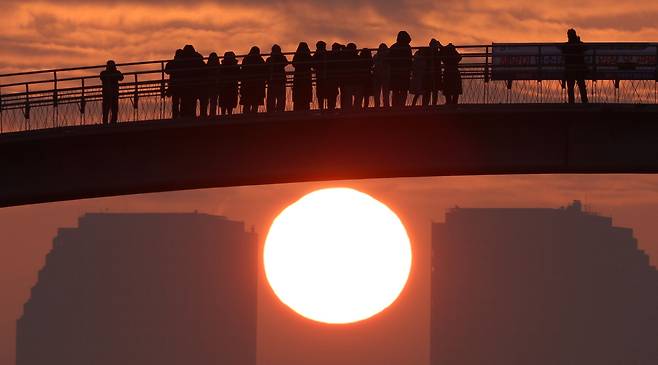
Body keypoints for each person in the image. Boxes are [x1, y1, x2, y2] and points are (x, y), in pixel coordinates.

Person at [179, 45, 206, 118]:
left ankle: (184, 116)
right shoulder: (198, 60)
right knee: (193, 102)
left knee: (185, 102)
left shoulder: (182, 61)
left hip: (184, 85)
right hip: (196, 85)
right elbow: (204, 70)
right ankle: (193, 116)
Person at [562, 28, 589, 104]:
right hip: (579, 69)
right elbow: (585, 49)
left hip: (570, 69)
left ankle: (571, 103)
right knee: (581, 87)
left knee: (571, 87)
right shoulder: (579, 44)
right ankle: (585, 102)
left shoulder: (567, 46)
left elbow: (563, 50)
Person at [387, 31, 413, 107]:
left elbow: (389, 59)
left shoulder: (393, 47)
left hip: (395, 72)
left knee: (395, 90)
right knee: (403, 90)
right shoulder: (407, 47)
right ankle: (402, 105)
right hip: (404, 72)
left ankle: (394, 106)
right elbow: (409, 60)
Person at [241, 46, 267, 113]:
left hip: (247, 85)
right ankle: (253, 115)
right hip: (257, 86)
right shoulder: (260, 60)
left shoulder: (246, 59)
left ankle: (245, 118)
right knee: (255, 104)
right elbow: (264, 70)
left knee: (247, 104)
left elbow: (243, 70)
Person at [265, 44, 289, 112]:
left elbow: (266, 67)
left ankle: (270, 111)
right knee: (281, 98)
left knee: (271, 98)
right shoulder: (282, 58)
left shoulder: (269, 59)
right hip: (280, 80)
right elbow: (286, 63)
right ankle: (280, 111)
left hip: (272, 80)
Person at [292, 42, 314, 111]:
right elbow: (312, 64)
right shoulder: (308, 56)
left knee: (298, 98)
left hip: (298, 79)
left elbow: (293, 63)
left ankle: (297, 112)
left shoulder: (297, 55)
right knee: (305, 98)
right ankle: (306, 111)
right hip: (306, 79)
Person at [339, 43, 359, 111]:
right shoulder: (357, 58)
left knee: (348, 97)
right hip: (355, 79)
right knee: (356, 97)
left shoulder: (344, 57)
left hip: (347, 80)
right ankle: (355, 110)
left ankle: (348, 109)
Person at [324, 42, 343, 111]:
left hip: (330, 77)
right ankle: (332, 107)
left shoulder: (329, 55)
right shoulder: (339, 55)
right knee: (333, 93)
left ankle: (331, 107)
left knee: (332, 93)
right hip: (334, 77)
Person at [219, 51, 239, 115]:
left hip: (223, 88)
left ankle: (222, 117)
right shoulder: (236, 67)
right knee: (230, 106)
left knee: (223, 105)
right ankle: (229, 115)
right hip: (232, 88)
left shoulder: (222, 67)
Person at [165, 49, 183, 118]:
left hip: (174, 85)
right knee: (182, 102)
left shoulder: (172, 63)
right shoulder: (184, 63)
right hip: (182, 86)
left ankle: (175, 116)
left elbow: (166, 71)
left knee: (175, 102)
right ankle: (181, 115)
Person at [372, 43, 390, 108]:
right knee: (385, 92)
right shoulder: (388, 57)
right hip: (385, 75)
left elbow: (372, 64)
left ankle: (377, 106)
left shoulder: (376, 56)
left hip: (377, 75)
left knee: (377, 92)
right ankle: (386, 105)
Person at [312, 41, 329, 111]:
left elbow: (313, 64)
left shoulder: (316, 55)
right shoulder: (327, 54)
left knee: (321, 93)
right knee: (324, 92)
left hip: (320, 76)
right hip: (325, 76)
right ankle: (325, 108)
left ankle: (321, 107)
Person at [428, 39, 443, 105]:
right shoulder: (438, 53)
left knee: (429, 90)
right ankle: (433, 104)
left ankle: (426, 105)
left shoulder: (428, 52)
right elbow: (444, 51)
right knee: (433, 90)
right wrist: (440, 46)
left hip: (431, 73)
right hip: (435, 73)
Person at [206, 52, 221, 117]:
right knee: (214, 101)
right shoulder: (218, 67)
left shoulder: (207, 67)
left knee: (209, 101)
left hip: (209, 86)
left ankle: (208, 114)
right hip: (215, 85)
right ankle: (213, 114)